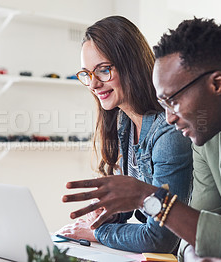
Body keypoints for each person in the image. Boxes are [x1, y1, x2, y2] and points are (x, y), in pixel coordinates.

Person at [61, 17, 221, 262]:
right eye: (163, 103)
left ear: (217, 83)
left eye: (173, 101)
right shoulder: (206, 132)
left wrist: (147, 198)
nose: (169, 118)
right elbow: (195, 230)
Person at [56, 15, 193, 253]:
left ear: (132, 65)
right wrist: (106, 214)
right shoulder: (124, 123)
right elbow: (133, 201)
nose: (94, 85)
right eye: (88, 74)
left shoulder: (168, 132)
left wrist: (98, 232)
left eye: (104, 70)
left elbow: (160, 238)